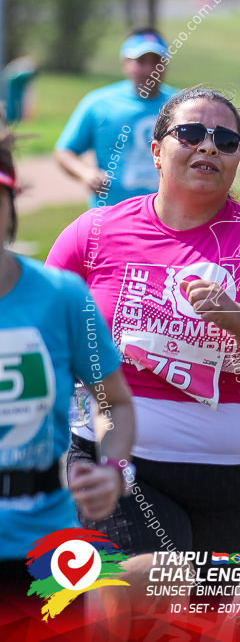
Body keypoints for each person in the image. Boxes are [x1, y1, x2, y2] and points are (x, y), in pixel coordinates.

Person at [46, 88, 240, 590]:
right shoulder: (96, 232)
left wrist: (238, 317)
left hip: (229, 476)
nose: (209, 147)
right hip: (120, 461)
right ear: (156, 150)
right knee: (148, 582)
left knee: (200, 619)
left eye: (226, 139)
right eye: (191, 134)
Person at [0, 122, 136, 593]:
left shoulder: (61, 296)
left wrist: (112, 470)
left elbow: (115, 401)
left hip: (40, 546)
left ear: (11, 202)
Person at [55, 28, 176, 208]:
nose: (150, 69)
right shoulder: (98, 104)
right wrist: (86, 173)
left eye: (157, 61)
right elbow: (64, 151)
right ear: (125, 63)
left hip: (167, 217)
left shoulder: (180, 106)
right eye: (141, 61)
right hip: (109, 215)